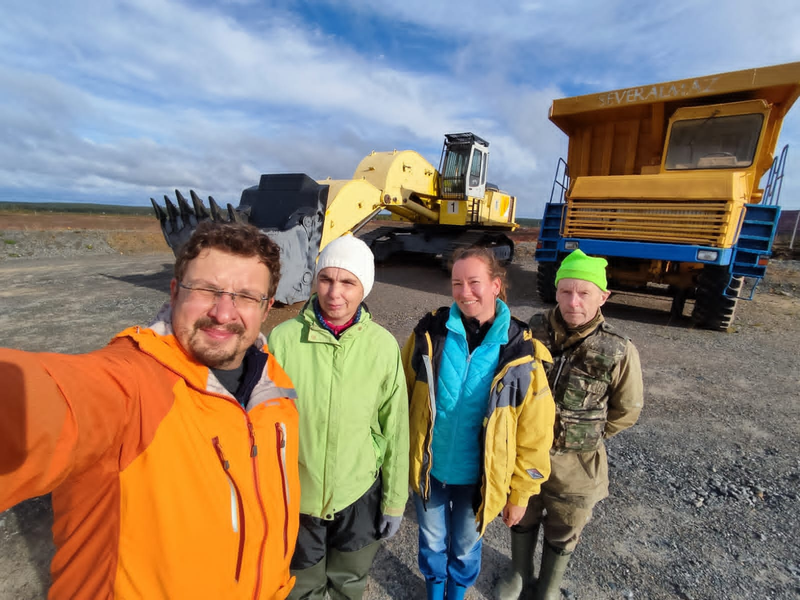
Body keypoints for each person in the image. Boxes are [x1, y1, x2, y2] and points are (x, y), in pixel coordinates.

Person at [0, 221, 301, 599]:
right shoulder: (132, 386)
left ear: (267, 307)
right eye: (206, 290)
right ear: (175, 293)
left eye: (244, 296)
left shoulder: (271, 381)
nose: (224, 313)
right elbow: (38, 401)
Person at [402, 246, 556, 600]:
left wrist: (521, 493)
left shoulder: (521, 351)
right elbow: (403, 393)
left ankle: (456, 594)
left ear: (496, 285)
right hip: (431, 469)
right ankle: (434, 594)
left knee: (467, 546)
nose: (464, 292)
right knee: (432, 539)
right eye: (457, 283)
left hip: (480, 479)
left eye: (474, 282)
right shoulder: (431, 332)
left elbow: (535, 432)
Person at [496, 249, 644, 600]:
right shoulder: (531, 330)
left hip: (577, 464)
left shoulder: (618, 349)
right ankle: (519, 572)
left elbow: (626, 410)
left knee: (566, 526)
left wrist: (585, 434)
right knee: (522, 513)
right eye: (565, 291)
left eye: (584, 293)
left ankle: (548, 587)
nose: (573, 302)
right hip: (524, 454)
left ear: (603, 297)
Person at [267, 234, 409, 600]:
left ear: (365, 287)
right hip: (298, 495)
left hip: (358, 493)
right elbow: (262, 425)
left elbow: (394, 427)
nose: (334, 292)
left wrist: (394, 501)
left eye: (348, 282)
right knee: (301, 588)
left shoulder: (382, 346)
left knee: (349, 583)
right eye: (326, 279)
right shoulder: (282, 341)